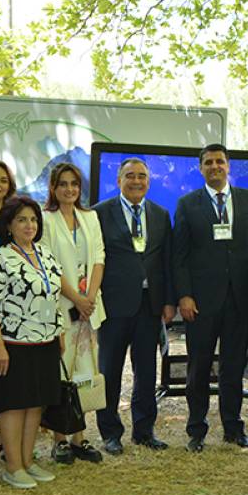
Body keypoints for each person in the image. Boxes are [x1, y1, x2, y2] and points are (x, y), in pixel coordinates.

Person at [173, 144, 248, 452]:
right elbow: (180, 257)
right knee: (198, 368)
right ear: (201, 169)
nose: (215, 167)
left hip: (240, 301)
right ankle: (196, 430)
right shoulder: (188, 204)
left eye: (220, 162)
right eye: (209, 163)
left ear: (229, 166)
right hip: (200, 303)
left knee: (232, 368)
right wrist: (184, 295)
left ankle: (233, 427)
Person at [0, 196, 64, 489]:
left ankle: (28, 461)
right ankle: (13, 466)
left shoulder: (45, 254)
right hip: (14, 344)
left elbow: (54, 298)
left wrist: (59, 333)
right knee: (14, 405)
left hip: (46, 341)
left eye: (33, 220)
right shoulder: (0, 257)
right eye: (22, 220)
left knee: (35, 404)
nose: (29, 225)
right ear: (9, 225)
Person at [93, 158, 174, 454]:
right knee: (110, 371)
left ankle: (144, 430)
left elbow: (167, 261)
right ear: (119, 181)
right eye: (130, 176)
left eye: (142, 176)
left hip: (149, 306)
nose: (136, 181)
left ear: (149, 182)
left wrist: (168, 301)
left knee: (146, 372)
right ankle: (110, 432)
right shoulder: (99, 213)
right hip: (114, 306)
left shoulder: (161, 214)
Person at [40, 162, 105, 464]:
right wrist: (76, 298)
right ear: (53, 187)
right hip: (61, 307)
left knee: (86, 372)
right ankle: (60, 439)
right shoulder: (45, 220)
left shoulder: (90, 218)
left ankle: (81, 437)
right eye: (63, 183)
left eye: (74, 184)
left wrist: (89, 297)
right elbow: (48, 265)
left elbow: (99, 258)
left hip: (89, 308)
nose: (69, 189)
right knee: (61, 373)